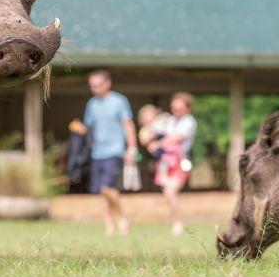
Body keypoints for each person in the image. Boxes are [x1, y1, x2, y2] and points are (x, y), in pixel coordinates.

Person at [77, 70, 137, 236]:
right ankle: (109, 227)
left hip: (115, 150)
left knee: (106, 189)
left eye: (98, 85)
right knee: (102, 194)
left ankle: (123, 218)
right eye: (92, 86)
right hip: (97, 152)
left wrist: (132, 148)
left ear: (107, 83)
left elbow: (128, 124)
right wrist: (81, 129)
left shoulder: (119, 101)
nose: (95, 88)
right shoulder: (92, 104)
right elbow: (88, 126)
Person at [148, 92, 197, 236]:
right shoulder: (169, 120)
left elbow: (177, 138)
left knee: (170, 192)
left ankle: (177, 224)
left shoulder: (189, 121)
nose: (175, 110)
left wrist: (158, 144)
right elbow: (155, 130)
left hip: (181, 162)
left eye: (179, 107)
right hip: (166, 162)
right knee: (168, 193)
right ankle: (175, 222)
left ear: (187, 108)